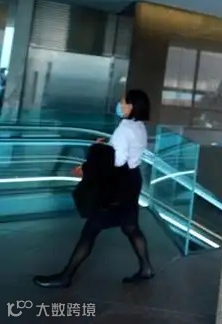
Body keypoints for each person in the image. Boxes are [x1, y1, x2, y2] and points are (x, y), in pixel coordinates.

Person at [33, 89, 155, 288]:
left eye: (122, 102)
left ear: (131, 106)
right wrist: (106, 148)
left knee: (91, 229)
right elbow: (124, 153)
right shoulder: (139, 126)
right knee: (131, 226)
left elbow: (117, 161)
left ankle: (66, 276)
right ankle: (146, 268)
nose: (119, 105)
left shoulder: (125, 128)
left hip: (118, 185)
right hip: (133, 180)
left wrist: (89, 164)